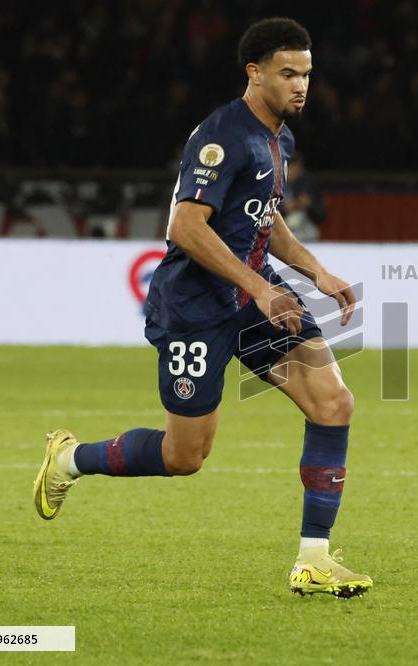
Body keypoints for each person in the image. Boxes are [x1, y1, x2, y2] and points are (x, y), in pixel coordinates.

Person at [32, 17, 372, 598]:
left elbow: (264, 217)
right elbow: (186, 227)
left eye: (306, 74)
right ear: (254, 72)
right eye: (287, 74)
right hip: (197, 306)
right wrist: (259, 287)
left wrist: (314, 270)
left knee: (333, 402)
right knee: (184, 455)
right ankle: (70, 460)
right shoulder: (223, 136)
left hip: (253, 296)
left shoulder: (280, 138)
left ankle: (313, 560)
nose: (300, 86)